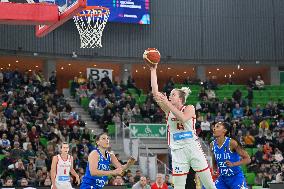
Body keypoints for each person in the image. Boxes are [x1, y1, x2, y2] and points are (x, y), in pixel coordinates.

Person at [150, 64, 216, 189]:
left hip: (193, 148)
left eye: (173, 95)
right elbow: (154, 92)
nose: (169, 96)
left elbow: (183, 118)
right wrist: (153, 70)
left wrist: (167, 104)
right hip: (177, 151)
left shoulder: (189, 108)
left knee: (209, 185)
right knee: (179, 187)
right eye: (169, 94)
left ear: (180, 99)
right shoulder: (168, 109)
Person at [211, 122, 251, 189]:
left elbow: (248, 159)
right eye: (214, 127)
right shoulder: (212, 144)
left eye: (217, 127)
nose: (214, 128)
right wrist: (214, 168)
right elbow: (214, 157)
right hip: (223, 179)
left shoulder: (232, 143)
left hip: (236, 178)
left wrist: (233, 164)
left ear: (224, 130)